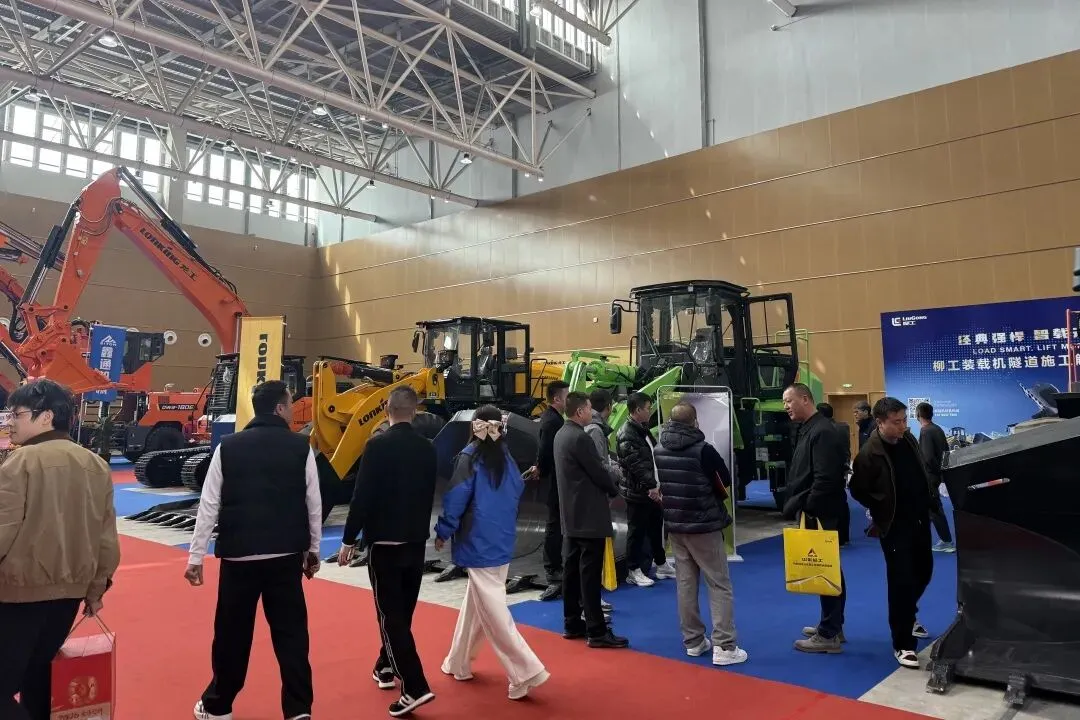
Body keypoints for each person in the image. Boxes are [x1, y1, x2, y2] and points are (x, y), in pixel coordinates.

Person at [187, 380, 322, 720]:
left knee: (232, 635)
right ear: (279, 408)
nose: (292, 410)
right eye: (290, 404)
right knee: (291, 636)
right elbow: (313, 503)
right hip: (285, 556)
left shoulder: (229, 447)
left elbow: (209, 504)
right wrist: (313, 550)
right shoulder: (300, 447)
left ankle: (218, 705)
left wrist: (196, 556)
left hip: (239, 556)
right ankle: (298, 709)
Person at [0, 379, 120, 720]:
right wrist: (95, 590)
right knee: (40, 682)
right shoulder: (95, 465)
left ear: (46, 416)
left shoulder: (20, 463)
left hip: (17, 594)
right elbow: (106, 538)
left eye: (17, 414)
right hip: (69, 596)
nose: (10, 422)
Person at [435, 406, 550, 700]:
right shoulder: (506, 458)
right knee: (477, 606)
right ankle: (458, 662)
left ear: (474, 425)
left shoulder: (469, 457)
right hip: (502, 538)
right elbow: (515, 492)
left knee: (494, 613)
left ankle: (525, 672)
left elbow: (456, 498)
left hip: (478, 541)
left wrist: (444, 530)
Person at [337, 386, 438, 716]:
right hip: (415, 542)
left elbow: (362, 496)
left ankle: (414, 686)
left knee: (390, 616)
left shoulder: (376, 446)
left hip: (385, 544)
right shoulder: (428, 448)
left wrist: (348, 539)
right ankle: (384, 665)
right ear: (415, 410)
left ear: (385, 411)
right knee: (402, 613)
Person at [653, 402, 748, 666]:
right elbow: (724, 479)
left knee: (685, 584)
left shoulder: (659, 449)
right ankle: (724, 646)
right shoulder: (704, 450)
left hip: (676, 525)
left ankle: (693, 641)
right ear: (695, 422)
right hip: (704, 524)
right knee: (719, 583)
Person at [849, 397, 935, 669]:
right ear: (880, 422)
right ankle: (903, 643)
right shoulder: (869, 454)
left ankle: (908, 613)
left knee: (924, 572)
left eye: (904, 420)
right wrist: (879, 506)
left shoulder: (908, 440)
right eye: (896, 422)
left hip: (920, 519)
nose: (903, 426)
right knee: (901, 582)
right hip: (895, 525)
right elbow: (857, 489)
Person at [554, 391, 627, 649]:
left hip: (571, 515)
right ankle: (596, 630)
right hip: (589, 515)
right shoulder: (580, 438)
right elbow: (599, 472)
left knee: (572, 571)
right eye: (588, 409)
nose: (591, 413)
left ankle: (572, 622)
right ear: (580, 411)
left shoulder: (561, 434)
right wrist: (615, 485)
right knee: (589, 574)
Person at [781, 384, 849, 655]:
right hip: (818, 510)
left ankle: (829, 633)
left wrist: (809, 507)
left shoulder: (821, 432)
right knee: (828, 568)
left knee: (826, 569)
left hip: (820, 512)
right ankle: (832, 625)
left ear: (805, 399)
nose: (785, 406)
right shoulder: (812, 429)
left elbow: (825, 478)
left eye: (789, 401)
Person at [616, 392, 674, 587]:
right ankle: (633, 570)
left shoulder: (643, 430)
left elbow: (651, 457)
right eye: (648, 408)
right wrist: (651, 486)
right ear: (637, 410)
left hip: (651, 489)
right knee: (637, 532)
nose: (650, 411)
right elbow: (636, 465)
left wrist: (657, 485)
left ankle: (661, 564)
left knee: (656, 529)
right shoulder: (627, 433)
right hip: (638, 492)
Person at [526, 380, 569, 599]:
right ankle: (553, 568)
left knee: (556, 523)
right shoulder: (553, 421)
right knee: (554, 524)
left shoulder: (553, 418)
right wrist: (541, 468)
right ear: (557, 399)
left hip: (554, 477)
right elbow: (545, 450)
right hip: (554, 479)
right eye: (567, 396)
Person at [915, 402, 954, 553]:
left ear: (918, 415)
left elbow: (928, 458)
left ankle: (947, 541)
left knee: (934, 509)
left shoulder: (925, 431)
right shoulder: (937, 429)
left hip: (930, 477)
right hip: (937, 474)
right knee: (929, 508)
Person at [816, 402, 852, 546]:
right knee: (842, 503)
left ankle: (834, 539)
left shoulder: (824, 430)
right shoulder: (842, 428)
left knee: (830, 507)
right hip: (841, 471)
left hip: (828, 473)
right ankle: (844, 537)